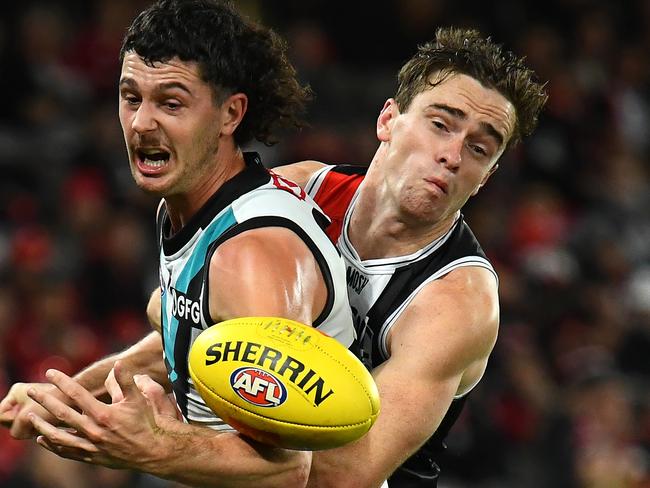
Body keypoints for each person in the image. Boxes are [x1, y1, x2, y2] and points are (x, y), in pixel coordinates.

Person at [0, 1, 354, 487]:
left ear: (231, 113)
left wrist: (148, 449)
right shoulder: (189, 203)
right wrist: (64, 399)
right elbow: (193, 340)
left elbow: (289, 469)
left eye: (171, 103)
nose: (142, 123)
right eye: (131, 98)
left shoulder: (250, 255)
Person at [272, 27, 548, 487]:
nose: (453, 156)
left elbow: (343, 475)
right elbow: (174, 310)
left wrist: (167, 446)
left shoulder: (458, 301)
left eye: (479, 148)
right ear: (388, 121)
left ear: (486, 177)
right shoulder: (297, 194)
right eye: (441, 124)